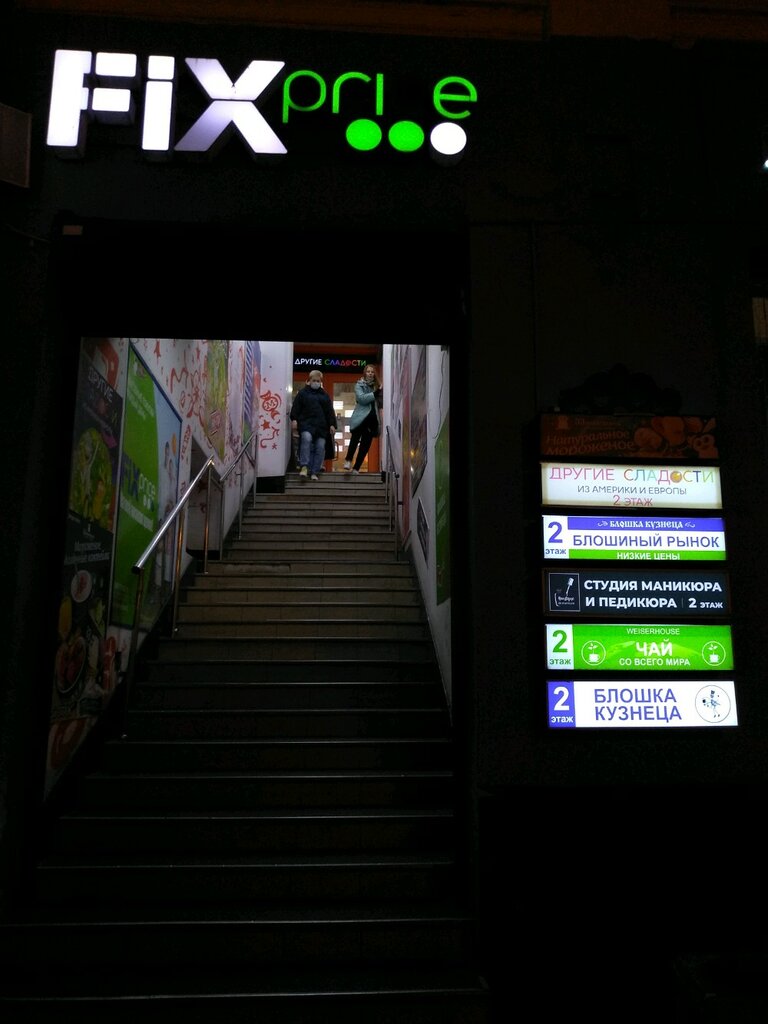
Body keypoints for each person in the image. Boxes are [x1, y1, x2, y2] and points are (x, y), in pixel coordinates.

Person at [289, 370, 337, 481]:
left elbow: (330, 411)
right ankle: (304, 466)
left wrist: (332, 424)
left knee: (320, 447)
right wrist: (294, 419)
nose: (316, 382)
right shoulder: (302, 394)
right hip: (306, 424)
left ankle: (315, 471)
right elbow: (296, 407)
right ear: (309, 381)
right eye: (314, 380)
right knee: (306, 439)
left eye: (318, 381)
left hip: (321, 427)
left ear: (321, 382)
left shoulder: (324, 395)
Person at [343, 364, 382, 473]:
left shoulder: (378, 387)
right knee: (354, 440)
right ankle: (348, 460)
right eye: (368, 371)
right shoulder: (359, 385)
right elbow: (362, 399)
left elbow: (381, 403)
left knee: (365, 445)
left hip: (372, 420)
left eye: (372, 372)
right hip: (361, 418)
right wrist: (375, 393)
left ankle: (356, 468)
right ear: (365, 373)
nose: (370, 374)